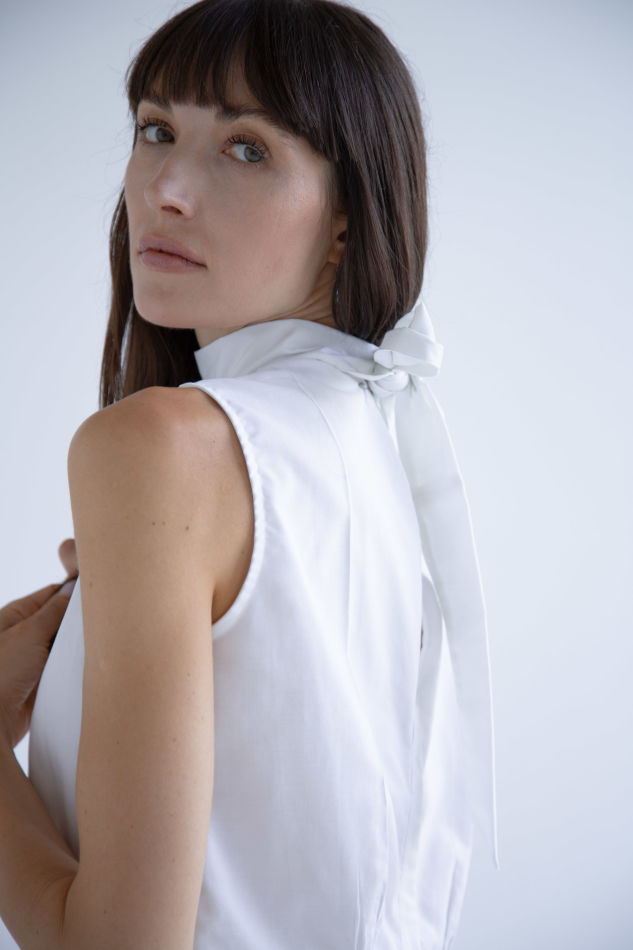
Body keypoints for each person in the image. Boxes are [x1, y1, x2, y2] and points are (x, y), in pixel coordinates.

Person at [0, 0, 498, 947]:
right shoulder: (372, 431)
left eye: (246, 149)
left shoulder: (161, 447)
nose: (166, 189)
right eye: (156, 130)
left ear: (346, 220)